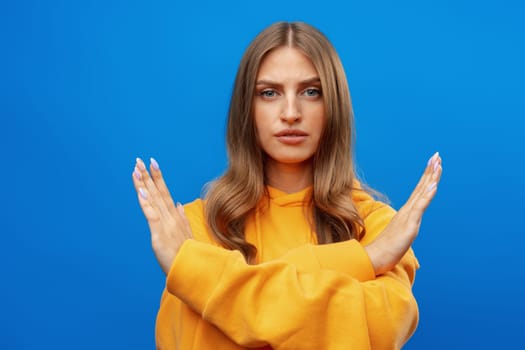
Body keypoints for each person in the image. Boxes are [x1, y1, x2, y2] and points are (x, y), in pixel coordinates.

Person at [132, 21, 442, 350]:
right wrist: (365, 260)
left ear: (333, 104)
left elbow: (378, 330)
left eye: (311, 91)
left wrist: (202, 278)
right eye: (269, 93)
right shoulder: (195, 225)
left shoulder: (382, 226)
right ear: (246, 109)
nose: (291, 113)